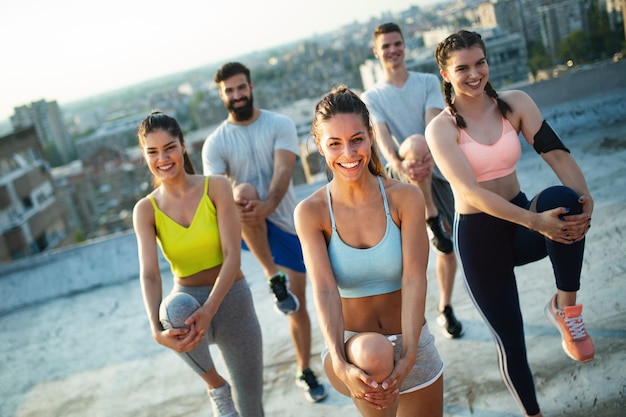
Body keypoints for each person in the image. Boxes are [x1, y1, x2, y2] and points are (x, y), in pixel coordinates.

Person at [425, 30, 594, 417]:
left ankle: (566, 310)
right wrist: (536, 222)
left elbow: (555, 151)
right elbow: (470, 191)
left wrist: (585, 198)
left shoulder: (514, 104)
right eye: (462, 68)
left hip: (521, 220)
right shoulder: (442, 128)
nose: (474, 74)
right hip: (481, 239)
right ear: (445, 73)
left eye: (480, 63)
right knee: (512, 342)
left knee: (565, 201)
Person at [294, 85, 444, 417]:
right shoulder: (312, 212)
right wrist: (338, 359)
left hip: (411, 340)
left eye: (356, 139)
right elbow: (324, 289)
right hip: (353, 351)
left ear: (371, 137)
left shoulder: (405, 198)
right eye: (334, 143)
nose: (348, 153)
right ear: (319, 146)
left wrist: (408, 356)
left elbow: (414, 279)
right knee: (376, 351)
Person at [201, 62, 327, 403]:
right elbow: (215, 192)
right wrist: (252, 208)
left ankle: (305, 368)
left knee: (297, 305)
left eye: (241, 88)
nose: (237, 95)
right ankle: (273, 276)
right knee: (241, 192)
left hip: (285, 220)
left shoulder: (279, 123)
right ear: (221, 95)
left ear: (251, 87)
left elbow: (285, 170)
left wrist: (268, 206)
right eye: (230, 90)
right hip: (245, 224)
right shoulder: (215, 143)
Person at [133, 112, 264, 417]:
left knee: (250, 407)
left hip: (231, 299)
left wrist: (211, 309)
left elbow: (233, 255)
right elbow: (150, 275)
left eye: (169, 147)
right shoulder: (145, 210)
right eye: (152, 152)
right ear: (144, 156)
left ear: (182, 146)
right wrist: (155, 329)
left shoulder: (215, 187)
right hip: (188, 309)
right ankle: (216, 386)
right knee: (173, 308)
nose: (162, 158)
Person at [361, 22, 463, 338]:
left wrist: (426, 159)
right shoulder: (372, 95)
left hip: (431, 163)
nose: (393, 50)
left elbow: (434, 126)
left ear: (404, 46)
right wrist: (400, 166)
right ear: (376, 53)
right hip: (398, 172)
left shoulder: (426, 81)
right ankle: (432, 221)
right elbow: (383, 140)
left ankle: (445, 309)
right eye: (386, 46)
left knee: (448, 249)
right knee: (401, 260)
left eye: (397, 44)